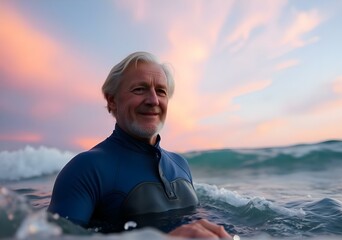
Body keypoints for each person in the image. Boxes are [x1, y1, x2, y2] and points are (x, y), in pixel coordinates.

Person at [48, 52, 231, 239]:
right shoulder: (84, 169)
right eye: (139, 89)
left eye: (161, 91)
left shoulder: (180, 164)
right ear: (112, 100)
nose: (153, 100)